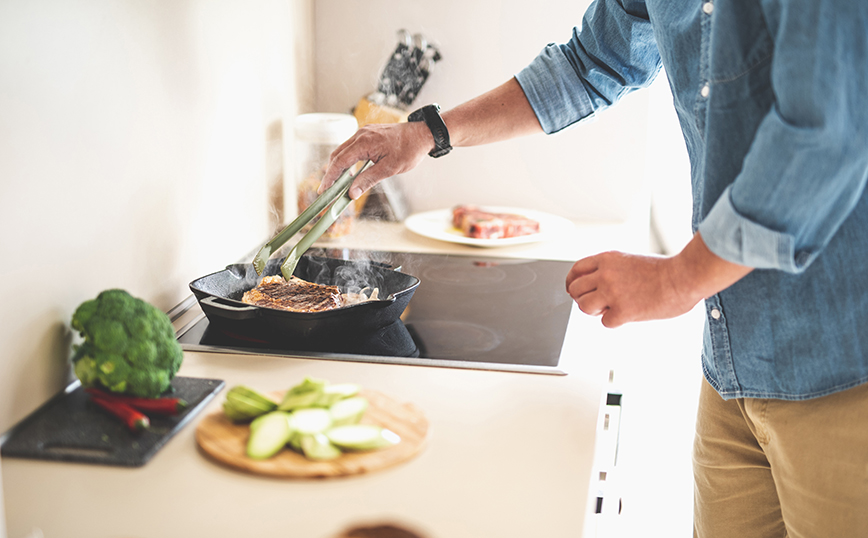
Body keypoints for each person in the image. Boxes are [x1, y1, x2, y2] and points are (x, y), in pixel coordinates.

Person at [319, 1, 868, 536]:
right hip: (734, 363)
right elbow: (590, 62)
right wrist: (427, 133)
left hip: (842, 367)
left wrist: (679, 278)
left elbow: (827, 136)